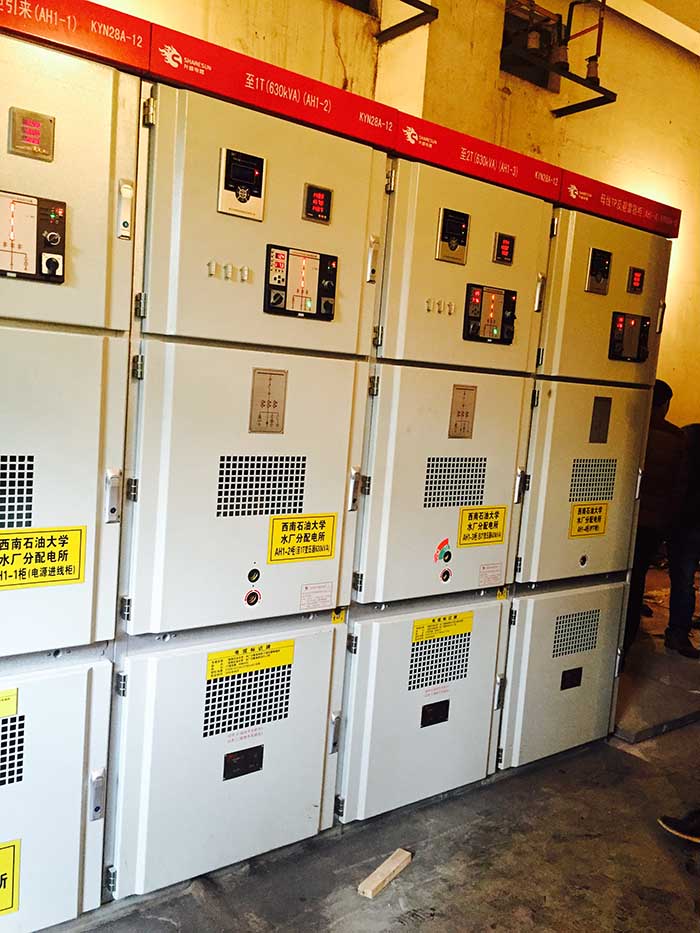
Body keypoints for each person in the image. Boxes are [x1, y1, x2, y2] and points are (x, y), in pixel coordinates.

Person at [623, 380, 689, 656]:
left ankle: (617, 630)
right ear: (665, 405)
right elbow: (680, 487)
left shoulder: (628, 430)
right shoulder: (677, 438)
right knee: (638, 576)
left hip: (623, 519)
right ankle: (628, 635)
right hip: (652, 524)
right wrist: (669, 523)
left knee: (619, 575)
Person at [666, 424, 700, 658]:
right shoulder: (687, 437)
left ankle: (678, 631)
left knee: (683, 578)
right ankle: (678, 631)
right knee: (684, 579)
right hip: (687, 520)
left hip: (683, 520)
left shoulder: (686, 435)